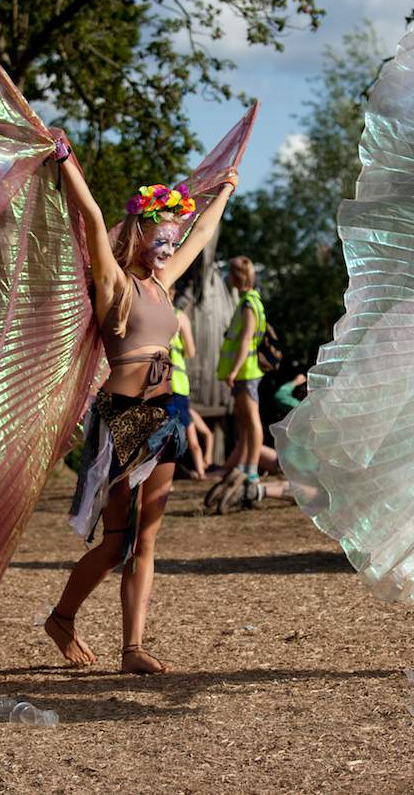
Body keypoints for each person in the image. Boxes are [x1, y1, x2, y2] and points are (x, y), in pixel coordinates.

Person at [49, 138, 237, 674]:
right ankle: (62, 617)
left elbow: (201, 234)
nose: (168, 247)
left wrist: (223, 192)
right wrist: (66, 162)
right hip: (125, 414)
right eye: (161, 238)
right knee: (116, 542)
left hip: (169, 412)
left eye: (170, 242)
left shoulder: (163, 286)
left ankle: (132, 648)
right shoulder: (116, 284)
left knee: (147, 535)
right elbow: (88, 215)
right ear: (139, 236)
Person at [204, 256, 268, 514]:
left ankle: (252, 470)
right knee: (243, 421)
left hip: (247, 371)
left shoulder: (249, 304)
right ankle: (243, 464)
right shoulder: (247, 302)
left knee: (252, 420)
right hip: (243, 372)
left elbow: (245, 341)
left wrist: (232, 370)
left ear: (237, 276)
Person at [166, 289, 207, 478]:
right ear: (173, 293)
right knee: (185, 432)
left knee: (159, 434)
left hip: (154, 383)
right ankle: (199, 471)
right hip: (178, 384)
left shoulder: (150, 313)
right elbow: (191, 351)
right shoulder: (179, 317)